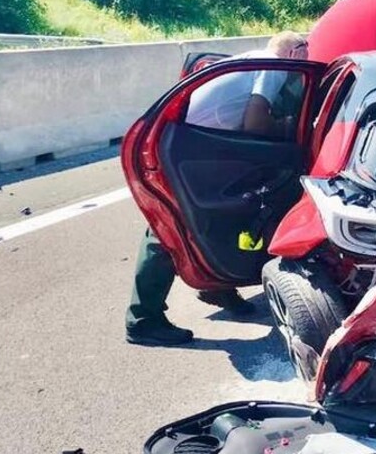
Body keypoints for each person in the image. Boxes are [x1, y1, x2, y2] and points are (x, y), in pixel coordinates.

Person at [125, 32, 309, 346]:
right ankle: (142, 321)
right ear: (295, 51)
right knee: (167, 230)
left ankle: (216, 285)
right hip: (193, 149)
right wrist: (291, 126)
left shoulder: (245, 60)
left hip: (197, 145)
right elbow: (254, 122)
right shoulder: (274, 65)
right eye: (306, 53)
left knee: (220, 216)